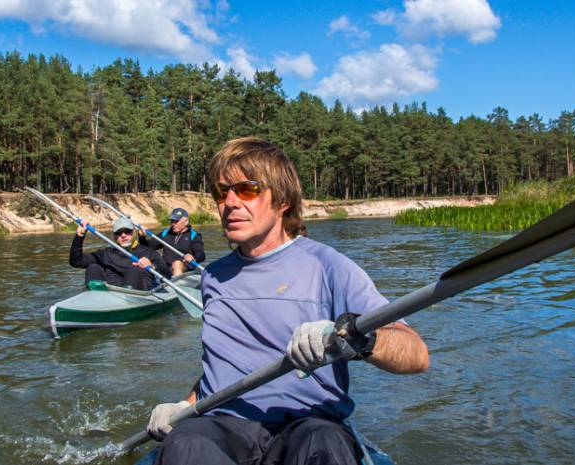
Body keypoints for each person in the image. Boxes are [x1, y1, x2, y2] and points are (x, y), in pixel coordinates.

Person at [146, 137, 430, 465]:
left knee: (323, 442)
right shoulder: (212, 278)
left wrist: (357, 338)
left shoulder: (329, 266)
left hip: (308, 424)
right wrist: (184, 406)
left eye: (247, 189)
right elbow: (222, 368)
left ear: (281, 200)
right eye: (222, 192)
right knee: (186, 443)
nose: (230, 202)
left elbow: (417, 355)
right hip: (224, 426)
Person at [69, 216, 170, 290]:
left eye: (127, 232)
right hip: (111, 294)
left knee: (133, 271)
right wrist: (80, 236)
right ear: (114, 235)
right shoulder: (106, 253)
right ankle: (96, 295)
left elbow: (168, 275)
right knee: (93, 268)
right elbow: (76, 262)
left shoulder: (148, 252)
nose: (123, 235)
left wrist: (152, 266)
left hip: (138, 293)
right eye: (119, 233)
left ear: (134, 232)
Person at [145, 207, 206, 276]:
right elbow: (148, 247)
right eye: (172, 221)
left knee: (176, 264)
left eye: (176, 221)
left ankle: (175, 284)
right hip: (167, 268)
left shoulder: (194, 235)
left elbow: (201, 255)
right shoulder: (165, 233)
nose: (173, 224)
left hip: (186, 269)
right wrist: (141, 237)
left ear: (186, 221)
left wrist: (193, 258)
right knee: (147, 263)